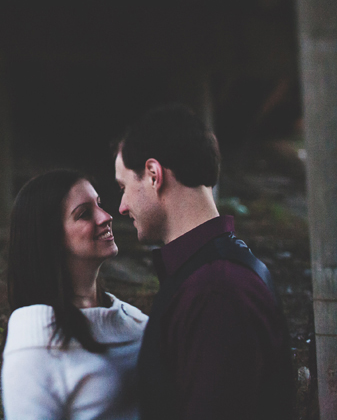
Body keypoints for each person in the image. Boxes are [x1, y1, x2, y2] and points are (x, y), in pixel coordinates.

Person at [114, 104, 295, 420]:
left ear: (154, 175)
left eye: (124, 187)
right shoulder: (214, 273)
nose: (121, 206)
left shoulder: (216, 289)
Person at [2, 169, 148, 420]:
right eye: (84, 214)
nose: (106, 217)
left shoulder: (136, 321)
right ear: (51, 238)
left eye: (99, 205)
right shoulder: (35, 343)